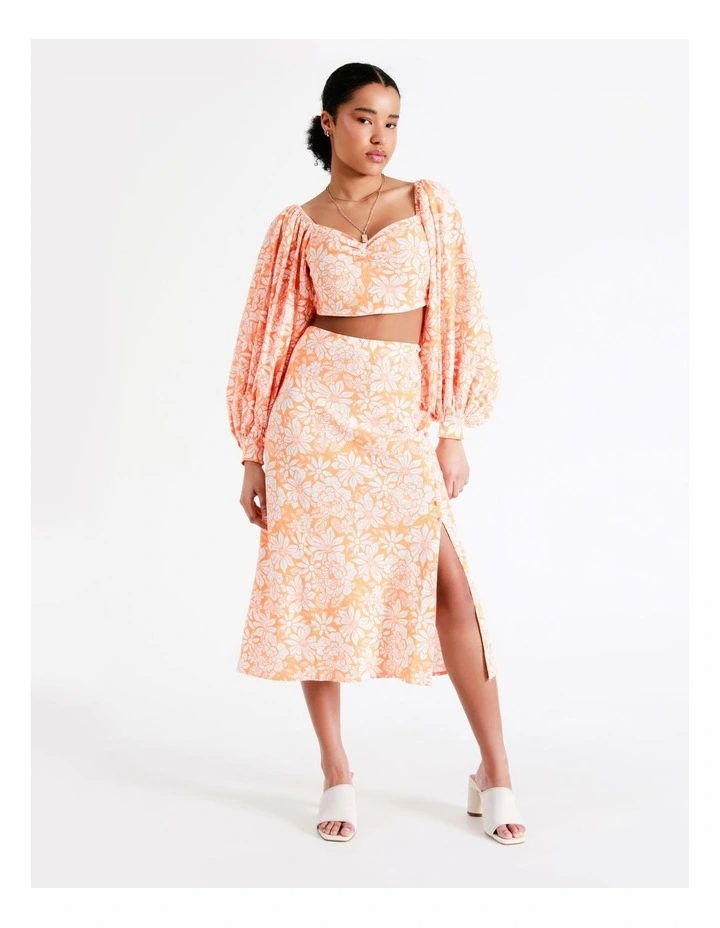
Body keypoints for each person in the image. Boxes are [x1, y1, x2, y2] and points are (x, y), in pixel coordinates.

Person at [226, 62, 526, 846]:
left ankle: (494, 770)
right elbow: (266, 334)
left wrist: (452, 428)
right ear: (329, 122)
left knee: (451, 589)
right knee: (317, 588)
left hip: (398, 414)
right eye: (364, 119)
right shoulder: (296, 225)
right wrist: (254, 452)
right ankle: (335, 768)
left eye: (391, 122)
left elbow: (460, 314)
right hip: (313, 416)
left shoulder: (428, 205)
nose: (380, 137)